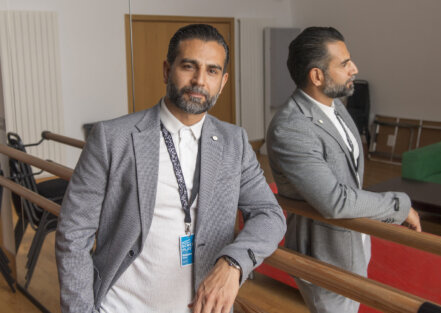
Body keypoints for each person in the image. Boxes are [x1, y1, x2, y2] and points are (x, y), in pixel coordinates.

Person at [56, 24, 286, 313]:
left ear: (223, 82)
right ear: (167, 70)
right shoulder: (112, 138)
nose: (199, 81)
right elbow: (73, 234)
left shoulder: (234, 142)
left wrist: (234, 263)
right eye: (189, 66)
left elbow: (270, 214)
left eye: (212, 71)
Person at [266, 26, 421, 313]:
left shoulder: (335, 105)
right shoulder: (292, 126)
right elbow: (335, 200)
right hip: (323, 256)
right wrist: (399, 206)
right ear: (317, 76)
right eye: (344, 63)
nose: (354, 68)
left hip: (355, 244)